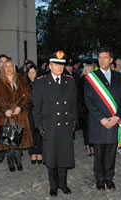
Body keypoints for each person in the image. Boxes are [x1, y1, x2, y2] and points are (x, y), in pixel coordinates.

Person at [32, 50, 78, 196]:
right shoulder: (41, 82)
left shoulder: (69, 81)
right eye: (56, 64)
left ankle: (63, 184)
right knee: (52, 158)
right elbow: (37, 107)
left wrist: (74, 122)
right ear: (50, 66)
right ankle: (53, 185)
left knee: (64, 156)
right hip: (49, 126)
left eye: (62, 65)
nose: (59, 67)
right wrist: (39, 126)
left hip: (65, 125)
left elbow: (74, 104)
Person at [84, 47, 121, 191]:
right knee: (99, 153)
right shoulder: (91, 78)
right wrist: (101, 119)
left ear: (111, 60)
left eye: (105, 57)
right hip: (99, 122)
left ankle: (109, 178)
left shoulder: (120, 77)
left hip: (114, 121)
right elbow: (88, 101)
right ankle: (99, 179)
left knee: (111, 152)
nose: (102, 60)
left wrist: (117, 117)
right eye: (100, 57)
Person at [0, 60, 33, 172]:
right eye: (6, 67)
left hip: (18, 115)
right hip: (5, 116)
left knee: (17, 141)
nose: (9, 69)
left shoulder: (21, 79)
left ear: (14, 68)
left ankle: (18, 161)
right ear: (2, 68)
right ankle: (10, 162)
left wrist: (21, 107)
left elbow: (28, 95)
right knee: (7, 143)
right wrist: (4, 111)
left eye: (11, 67)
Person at [26, 64, 43, 164]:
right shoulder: (24, 83)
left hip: (39, 109)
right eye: (29, 73)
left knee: (39, 130)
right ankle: (32, 152)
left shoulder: (41, 83)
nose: (31, 75)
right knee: (30, 131)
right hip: (28, 110)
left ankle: (39, 151)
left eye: (33, 72)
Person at [79, 64, 94, 156]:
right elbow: (80, 95)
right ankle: (88, 146)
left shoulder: (96, 81)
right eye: (88, 69)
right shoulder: (81, 81)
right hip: (84, 109)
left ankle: (93, 146)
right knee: (86, 129)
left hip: (93, 108)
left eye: (91, 69)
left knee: (93, 128)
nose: (90, 71)